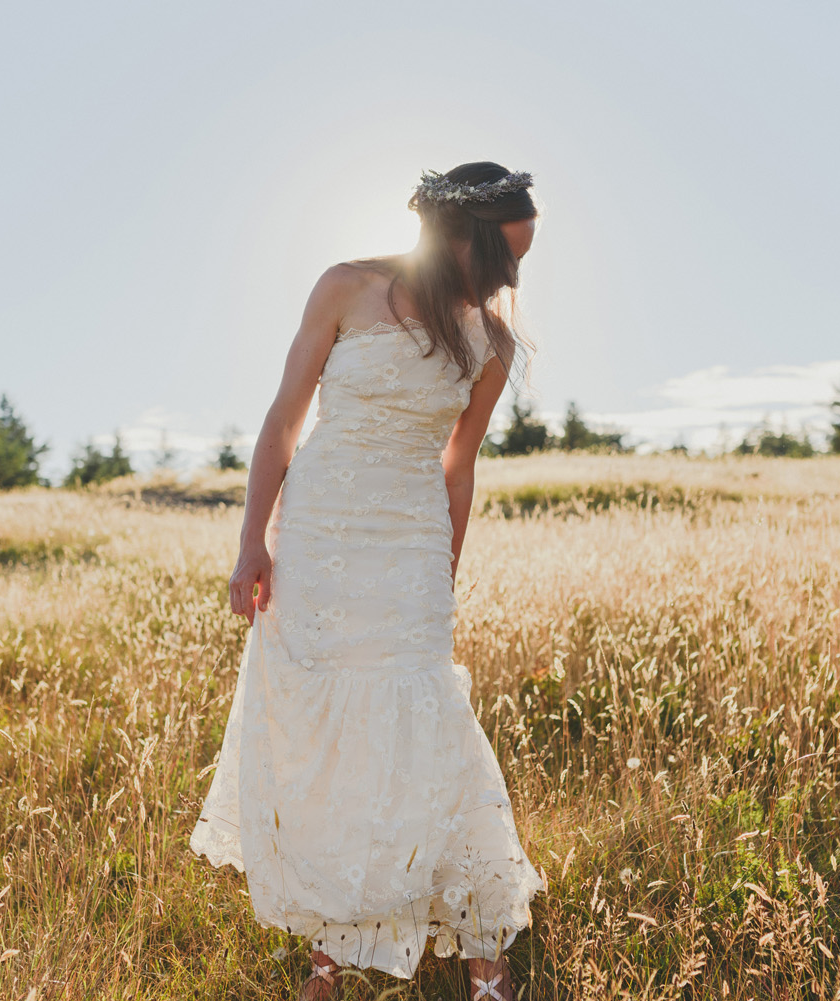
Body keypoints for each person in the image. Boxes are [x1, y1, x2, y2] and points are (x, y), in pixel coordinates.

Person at [190, 162, 546, 1000]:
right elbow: (284, 419)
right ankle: (329, 949)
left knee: (426, 716)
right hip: (317, 536)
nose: (512, 278)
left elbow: (459, 466)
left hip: (410, 542)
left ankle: (482, 945)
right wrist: (251, 545)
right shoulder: (346, 287)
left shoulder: (492, 340)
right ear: (459, 236)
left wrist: (443, 570)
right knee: (325, 734)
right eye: (504, 256)